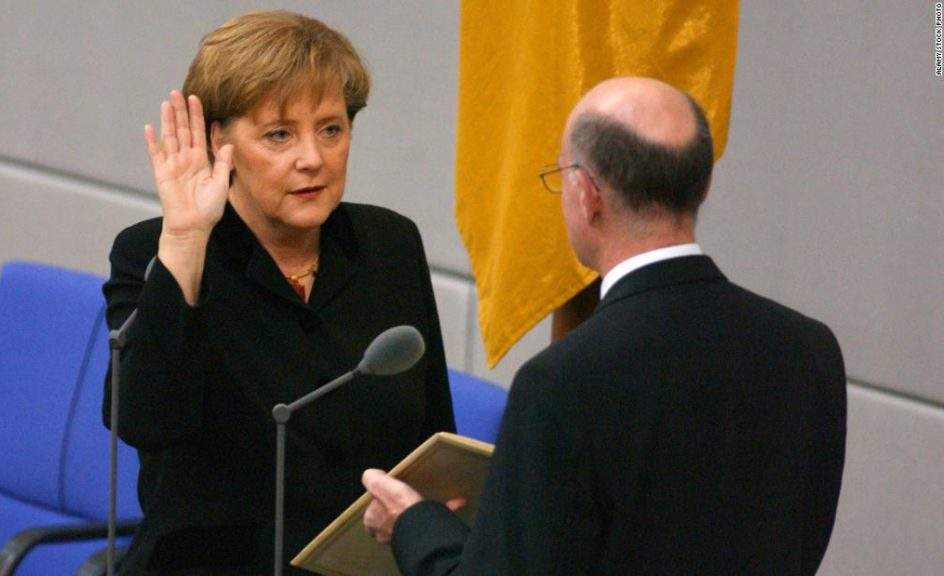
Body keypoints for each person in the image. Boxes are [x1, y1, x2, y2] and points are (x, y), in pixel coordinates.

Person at [362, 77, 847, 575]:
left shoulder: (562, 383)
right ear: (703, 185)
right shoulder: (809, 350)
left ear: (587, 194)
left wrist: (414, 523)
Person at [102, 10, 455, 575]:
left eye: (331, 129)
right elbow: (145, 420)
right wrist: (186, 240)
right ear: (219, 141)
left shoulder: (389, 244)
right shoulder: (156, 251)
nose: (312, 158)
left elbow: (431, 440)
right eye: (279, 134)